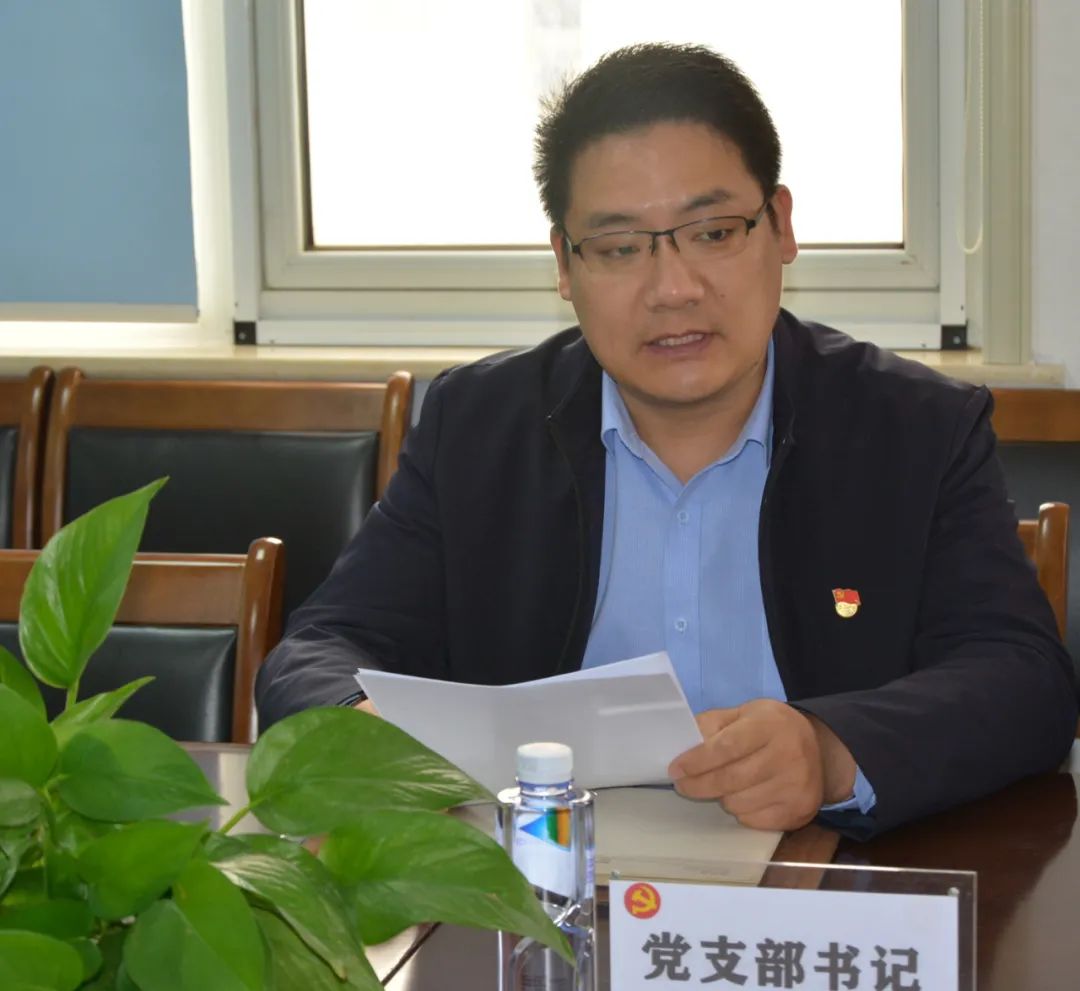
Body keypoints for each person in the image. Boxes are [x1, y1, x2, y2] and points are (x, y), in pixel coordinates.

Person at [255, 43, 1077, 838]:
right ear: (564, 265)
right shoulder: (477, 426)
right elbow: (317, 649)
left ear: (781, 226)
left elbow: (1024, 678)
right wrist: (360, 726)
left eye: (713, 232)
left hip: (825, 884)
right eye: (620, 248)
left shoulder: (915, 428)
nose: (674, 289)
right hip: (539, 881)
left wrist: (831, 750)